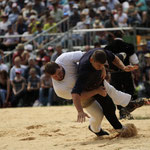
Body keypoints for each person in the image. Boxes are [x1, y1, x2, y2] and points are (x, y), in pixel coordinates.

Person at [45, 51, 144, 136]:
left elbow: (88, 56)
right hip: (83, 97)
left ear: (59, 65)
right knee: (98, 115)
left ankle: (129, 104)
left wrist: (101, 68)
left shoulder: (63, 58)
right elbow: (77, 96)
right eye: (55, 76)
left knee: (112, 91)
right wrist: (96, 91)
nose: (59, 76)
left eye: (59, 72)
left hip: (91, 79)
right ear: (50, 76)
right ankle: (95, 129)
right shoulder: (59, 89)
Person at [71, 48, 141, 134]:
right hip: (88, 90)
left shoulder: (102, 53)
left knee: (110, 105)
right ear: (91, 60)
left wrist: (123, 67)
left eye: (102, 65)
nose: (100, 67)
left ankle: (119, 128)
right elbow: (75, 93)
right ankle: (117, 128)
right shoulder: (84, 71)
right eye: (99, 66)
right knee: (104, 110)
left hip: (98, 82)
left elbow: (114, 58)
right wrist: (80, 111)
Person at [104, 30, 139, 119]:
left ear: (113, 35)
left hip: (114, 74)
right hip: (126, 72)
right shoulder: (128, 46)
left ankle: (121, 111)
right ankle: (126, 111)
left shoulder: (108, 47)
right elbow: (135, 62)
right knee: (129, 91)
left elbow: (106, 63)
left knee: (117, 92)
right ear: (123, 36)